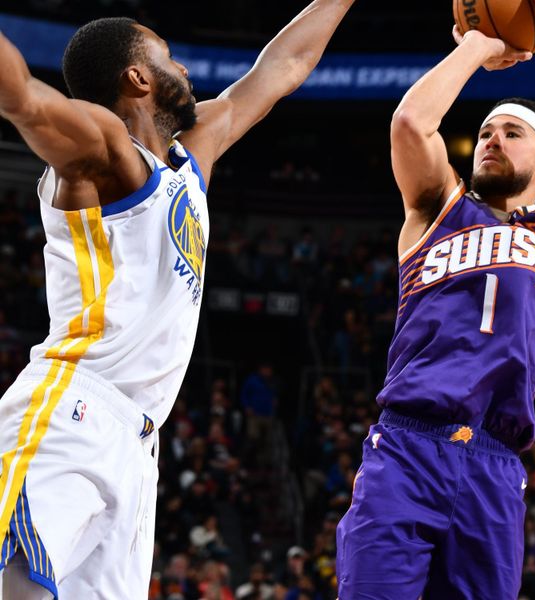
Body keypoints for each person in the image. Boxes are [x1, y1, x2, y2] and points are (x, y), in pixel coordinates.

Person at [0, 1, 356, 597]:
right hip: (73, 409)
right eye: (167, 57)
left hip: (139, 447)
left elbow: (284, 65)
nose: (184, 68)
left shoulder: (192, 157)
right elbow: (27, 101)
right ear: (137, 78)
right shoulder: (108, 151)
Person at [336, 0, 535, 597]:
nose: (491, 139)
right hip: (406, 447)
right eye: (485, 131)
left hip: (493, 463)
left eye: (510, 133)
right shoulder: (437, 207)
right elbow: (411, 124)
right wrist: (481, 45)